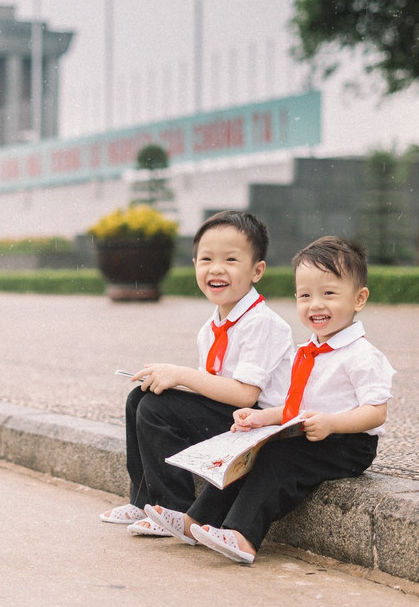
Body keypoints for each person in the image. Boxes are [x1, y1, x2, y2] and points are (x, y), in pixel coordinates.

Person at [144, 235, 393, 563]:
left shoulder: (361, 354)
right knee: (251, 450)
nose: (315, 305)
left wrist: (333, 423)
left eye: (329, 294)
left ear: (359, 298)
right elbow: (297, 408)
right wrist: (262, 418)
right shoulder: (308, 351)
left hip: (348, 443)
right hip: (312, 432)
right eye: (305, 296)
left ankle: (244, 536)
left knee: (276, 457)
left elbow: (376, 412)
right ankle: (195, 521)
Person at [100, 210, 294, 535]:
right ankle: (142, 499)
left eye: (231, 260)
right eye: (206, 259)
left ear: (256, 270)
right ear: (194, 266)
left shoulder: (264, 324)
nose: (216, 269)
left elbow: (245, 394)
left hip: (259, 424)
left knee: (155, 408)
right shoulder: (211, 327)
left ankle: (175, 507)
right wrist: (170, 381)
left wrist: (181, 375)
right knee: (142, 397)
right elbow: (212, 390)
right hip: (233, 416)